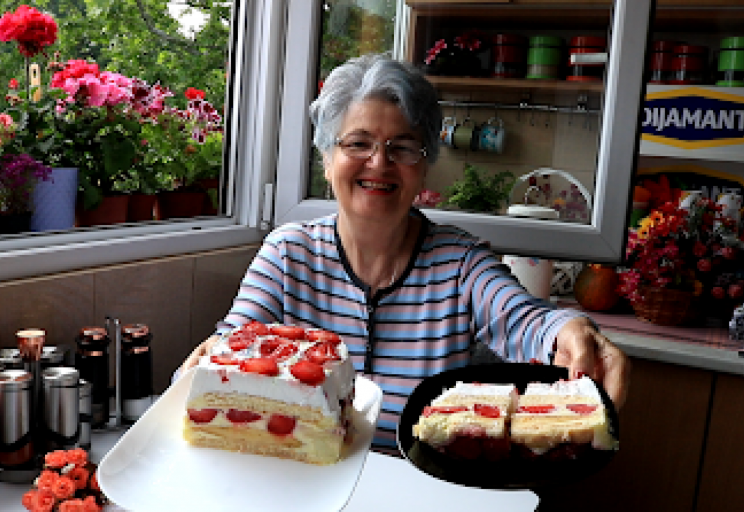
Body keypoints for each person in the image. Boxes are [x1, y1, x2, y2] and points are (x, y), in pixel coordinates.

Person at [180, 53, 631, 454]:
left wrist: (572, 330)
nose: (379, 163)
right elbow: (231, 348)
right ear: (326, 158)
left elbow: (523, 319)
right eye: (358, 143)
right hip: (303, 482)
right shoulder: (287, 254)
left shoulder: (460, 262)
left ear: (424, 164)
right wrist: (205, 365)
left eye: (403, 147)